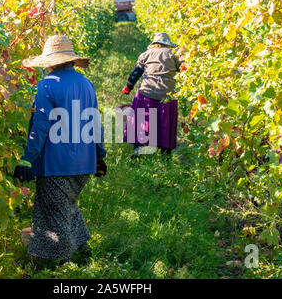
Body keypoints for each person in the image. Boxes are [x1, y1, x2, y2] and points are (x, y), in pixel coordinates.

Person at [13, 35, 107, 270]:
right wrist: (99, 155)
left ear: (50, 61)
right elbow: (95, 121)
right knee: (68, 209)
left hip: (56, 164)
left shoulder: (47, 85)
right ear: (71, 61)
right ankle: (85, 253)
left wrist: (27, 158)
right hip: (83, 164)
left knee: (55, 219)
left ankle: (61, 268)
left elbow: (41, 125)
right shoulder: (86, 84)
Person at [122, 32, 183, 158]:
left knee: (141, 121)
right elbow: (183, 71)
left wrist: (128, 87)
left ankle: (137, 152)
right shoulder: (174, 55)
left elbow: (136, 73)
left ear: (155, 44)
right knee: (164, 123)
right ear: (168, 44)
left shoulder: (146, 54)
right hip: (167, 96)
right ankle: (165, 155)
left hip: (146, 92)